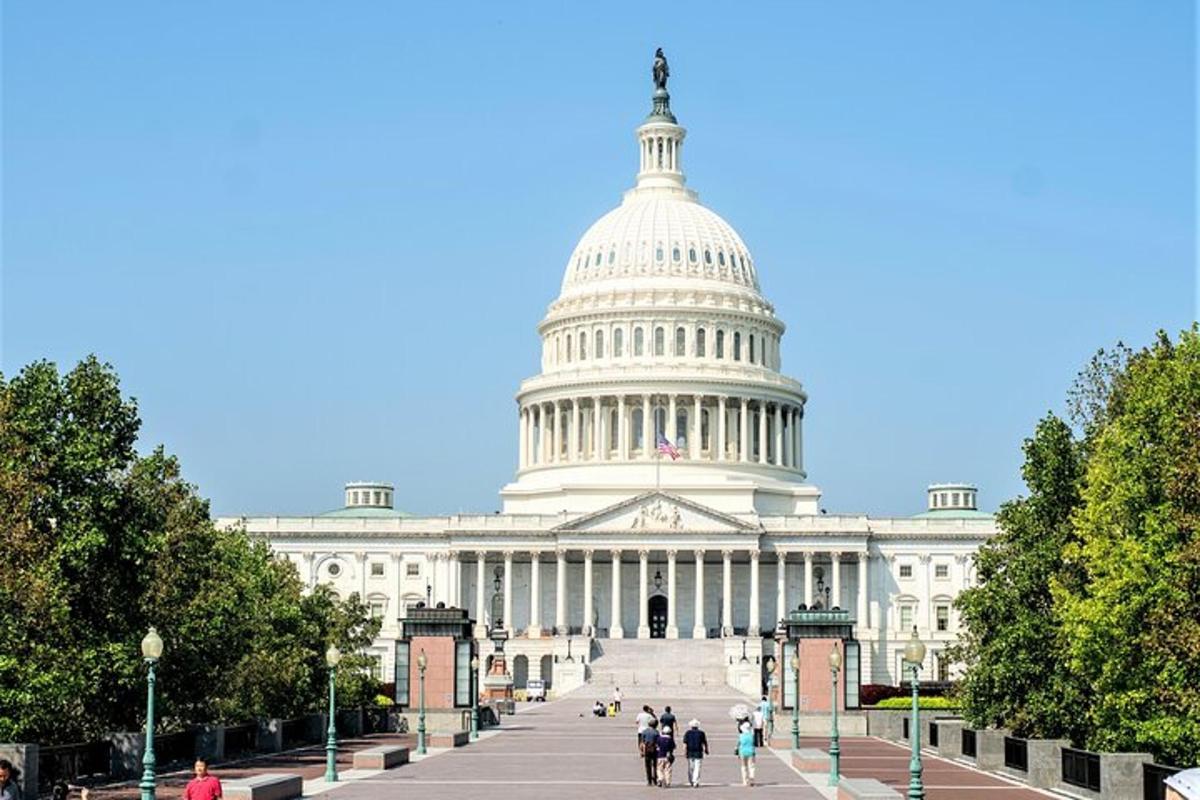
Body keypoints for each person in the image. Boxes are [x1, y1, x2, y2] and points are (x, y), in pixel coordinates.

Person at [683, 718, 709, 788]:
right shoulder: (701, 733)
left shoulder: (687, 733)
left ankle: (691, 780)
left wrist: (684, 751)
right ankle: (696, 781)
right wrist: (706, 749)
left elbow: (685, 743)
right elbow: (705, 742)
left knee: (691, 767)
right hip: (698, 752)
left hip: (690, 752)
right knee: (697, 767)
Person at [639, 718, 660, 787]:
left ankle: (649, 781)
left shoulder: (644, 731)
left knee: (648, 766)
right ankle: (655, 780)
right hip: (654, 750)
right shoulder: (656, 732)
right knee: (655, 765)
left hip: (647, 749)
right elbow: (658, 743)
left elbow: (642, 743)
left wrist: (641, 751)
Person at [737, 721, 756, 787]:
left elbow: (739, 744)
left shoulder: (741, 736)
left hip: (743, 752)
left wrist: (738, 753)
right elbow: (754, 744)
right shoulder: (751, 735)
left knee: (744, 767)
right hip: (751, 751)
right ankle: (752, 778)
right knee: (751, 766)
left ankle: (745, 781)